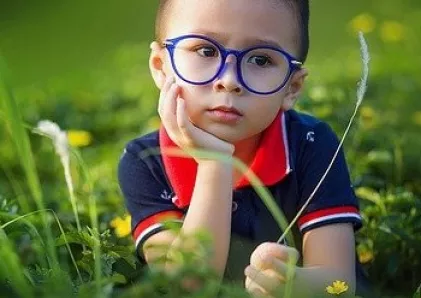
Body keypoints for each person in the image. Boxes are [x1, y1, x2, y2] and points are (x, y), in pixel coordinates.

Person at [118, 0, 366, 296]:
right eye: (206, 51)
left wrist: (291, 285)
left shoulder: (311, 145)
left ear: (292, 88)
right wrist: (215, 164)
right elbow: (185, 288)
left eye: (261, 60)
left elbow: (340, 284)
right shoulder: (146, 160)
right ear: (161, 67)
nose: (229, 81)